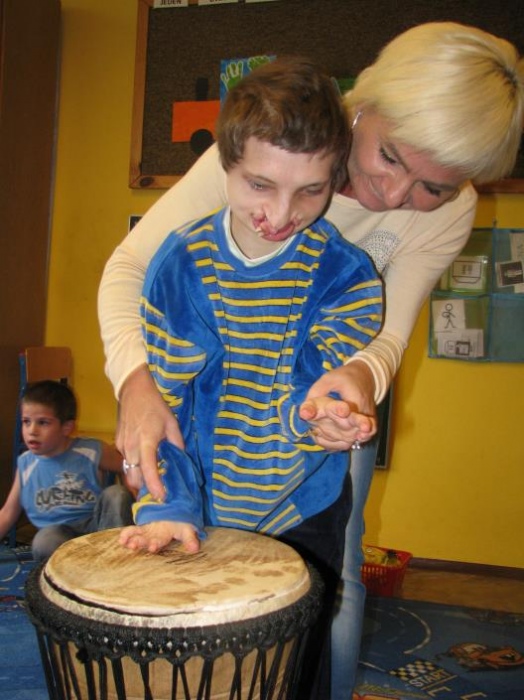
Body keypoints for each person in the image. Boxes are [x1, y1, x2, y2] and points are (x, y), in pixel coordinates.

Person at [98, 22, 524, 700]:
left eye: (433, 188)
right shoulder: (274, 142)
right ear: (364, 105)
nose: (395, 195)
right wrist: (135, 385)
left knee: (333, 577)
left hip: (320, 404)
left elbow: (385, 337)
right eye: (389, 157)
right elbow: (131, 268)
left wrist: (355, 380)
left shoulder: (450, 214)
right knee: (190, 558)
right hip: (214, 400)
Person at [118, 55, 383, 698]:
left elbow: (310, 392)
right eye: (260, 184)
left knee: (297, 662)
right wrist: (169, 505)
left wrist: (318, 417)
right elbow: (167, 409)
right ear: (226, 165)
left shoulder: (348, 276)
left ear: (335, 178)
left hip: (304, 504)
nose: (282, 213)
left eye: (311, 191)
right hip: (199, 498)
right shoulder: (181, 265)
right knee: (200, 667)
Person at [0, 380, 134, 561]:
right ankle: (66, 575)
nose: (32, 431)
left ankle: (117, 561)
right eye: (26, 422)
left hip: (97, 531)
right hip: (58, 536)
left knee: (117, 493)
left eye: (43, 423)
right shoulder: (26, 463)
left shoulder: (91, 450)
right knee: (44, 541)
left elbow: (127, 467)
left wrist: (137, 504)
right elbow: (8, 513)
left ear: (67, 427)